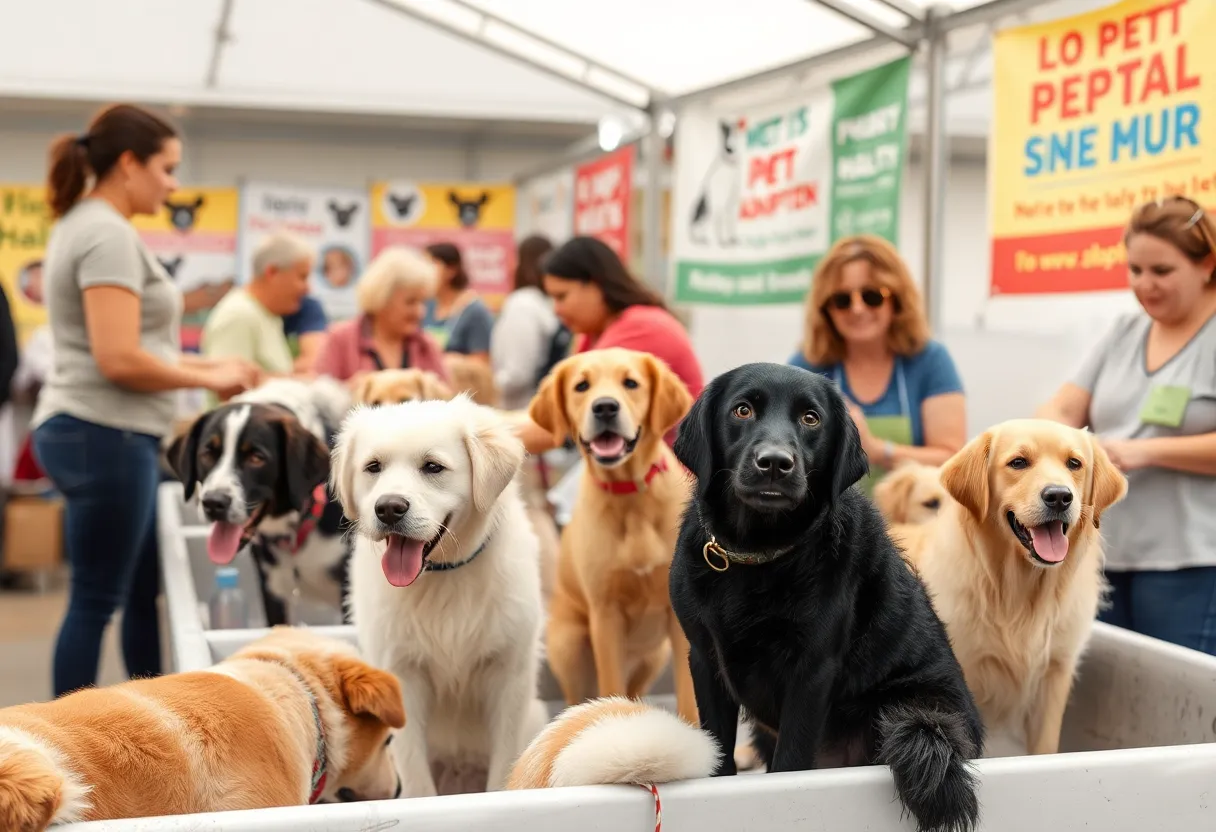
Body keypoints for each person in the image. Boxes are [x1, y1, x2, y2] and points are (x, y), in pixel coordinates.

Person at [33, 103, 258, 696]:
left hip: (101, 430)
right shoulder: (105, 233)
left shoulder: (89, 225)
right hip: (105, 431)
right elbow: (119, 360)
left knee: (133, 594)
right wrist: (206, 375)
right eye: (167, 168)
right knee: (98, 598)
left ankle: (147, 720)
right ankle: (66, 740)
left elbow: (131, 349)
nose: (174, 183)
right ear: (128, 164)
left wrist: (214, 367)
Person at [1037, 196, 1216, 655]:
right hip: (1101, 556)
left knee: (1184, 712)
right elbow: (1060, 410)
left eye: (1161, 271)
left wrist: (1143, 452)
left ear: (1207, 264)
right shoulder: (1122, 332)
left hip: (1192, 565)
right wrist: (1049, 444)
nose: (1145, 285)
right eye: (1135, 270)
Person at [789, 235, 965, 494]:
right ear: (825, 309)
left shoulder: (930, 361)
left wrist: (877, 450)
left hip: (912, 528)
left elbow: (954, 461)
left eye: (872, 296)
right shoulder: (806, 365)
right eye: (842, 300)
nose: (857, 308)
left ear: (897, 299)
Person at [516, 235, 703, 455]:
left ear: (595, 284)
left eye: (561, 296)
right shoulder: (593, 332)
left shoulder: (639, 328)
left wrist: (481, 437)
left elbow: (558, 425)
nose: (556, 310)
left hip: (670, 475)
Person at [315, 245, 449, 384]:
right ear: (382, 298)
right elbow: (319, 395)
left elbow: (447, 399)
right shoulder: (340, 339)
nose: (420, 312)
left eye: (423, 302)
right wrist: (350, 389)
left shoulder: (426, 345)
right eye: (410, 302)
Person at [202, 230, 314, 391]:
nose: (307, 288)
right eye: (302, 277)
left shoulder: (267, 314)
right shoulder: (238, 316)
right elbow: (229, 389)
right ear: (272, 272)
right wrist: (304, 384)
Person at [490, 234, 562, 411]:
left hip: (518, 408)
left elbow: (517, 374)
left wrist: (480, 389)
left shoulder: (523, 304)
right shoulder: (541, 303)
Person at [423, 242, 494, 361]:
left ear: (451, 270)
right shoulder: (426, 307)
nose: (424, 273)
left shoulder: (474, 311)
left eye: (430, 265)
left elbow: (482, 362)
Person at [282, 294, 329, 373]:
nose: (307, 288)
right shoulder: (255, 311)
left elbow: (316, 360)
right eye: (302, 280)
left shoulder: (306, 305)